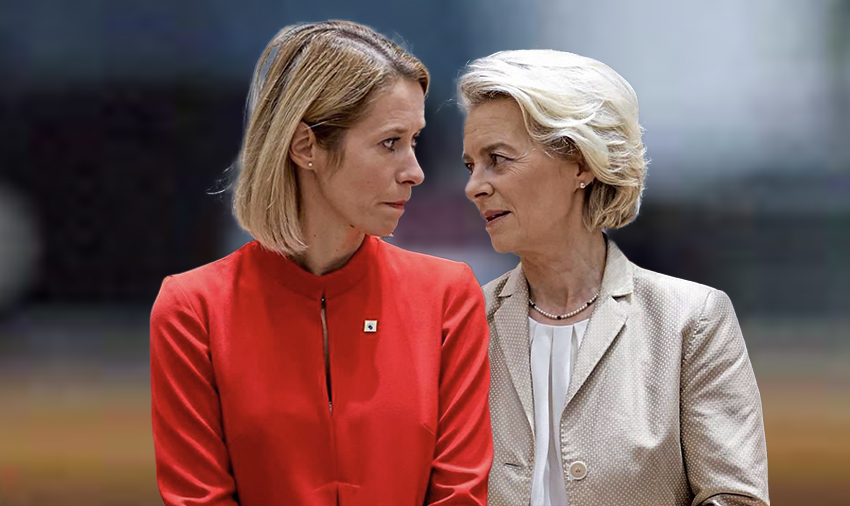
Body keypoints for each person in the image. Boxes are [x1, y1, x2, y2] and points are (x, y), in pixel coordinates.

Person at [150, 21, 492, 506]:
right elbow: (197, 498)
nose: (414, 171)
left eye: (415, 141)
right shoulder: (192, 310)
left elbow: (461, 494)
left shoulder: (448, 297)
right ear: (306, 147)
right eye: (390, 142)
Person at [459, 50, 769, 506]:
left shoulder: (691, 320)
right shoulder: (462, 323)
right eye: (471, 166)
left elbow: (734, 498)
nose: (474, 186)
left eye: (498, 160)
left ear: (581, 163)